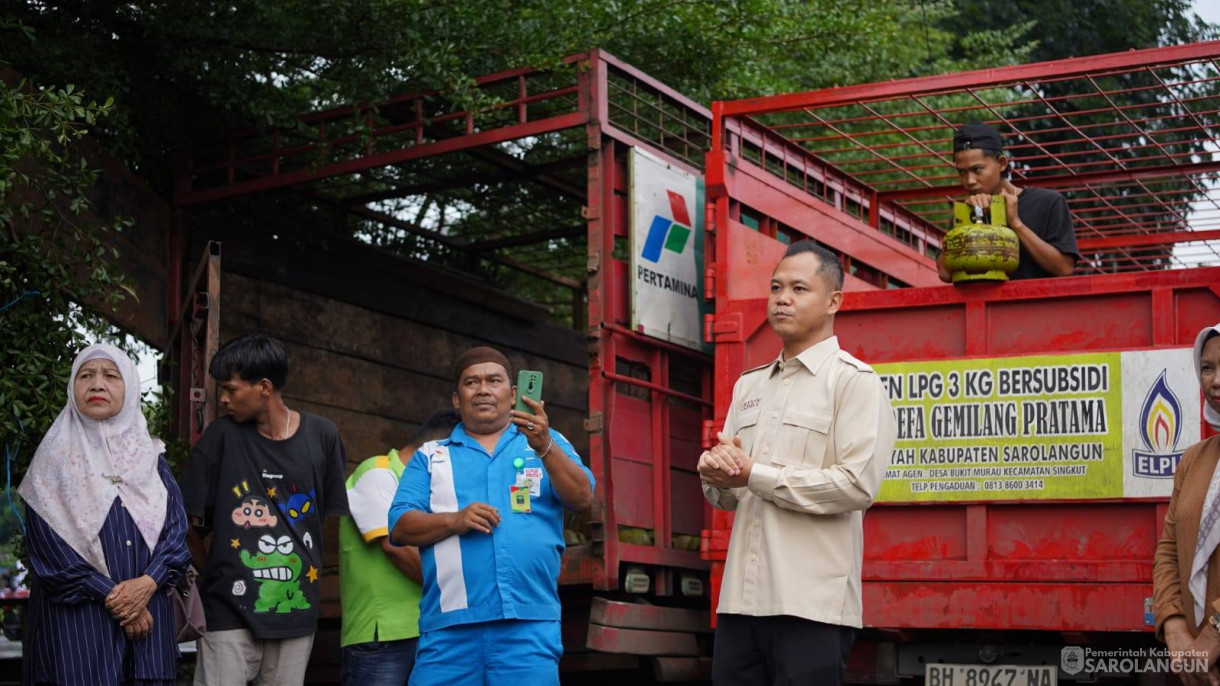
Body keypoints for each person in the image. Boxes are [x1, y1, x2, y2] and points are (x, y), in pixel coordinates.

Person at [699, 240, 897, 686]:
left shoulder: (853, 383)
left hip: (812, 605)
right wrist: (715, 475)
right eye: (775, 287)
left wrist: (755, 475)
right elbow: (727, 497)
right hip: (740, 603)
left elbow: (856, 486)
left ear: (834, 301)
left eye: (798, 289)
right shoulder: (748, 387)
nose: (782, 298)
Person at [388, 346, 594, 686]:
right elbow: (399, 526)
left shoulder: (546, 442)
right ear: (457, 399)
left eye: (494, 380)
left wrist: (543, 446)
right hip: (449, 630)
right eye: (472, 382)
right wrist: (454, 520)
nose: (483, 389)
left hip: (529, 624)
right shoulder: (432, 457)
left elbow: (582, 497)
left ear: (513, 394)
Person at [180, 334, 350, 686]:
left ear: (264, 387)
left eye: (230, 389)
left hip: (294, 609)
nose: (224, 399)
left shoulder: (323, 436)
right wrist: (214, 573)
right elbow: (182, 522)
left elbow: (325, 519)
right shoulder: (221, 437)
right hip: (227, 611)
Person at [19, 343, 192, 686]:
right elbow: (52, 556)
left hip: (148, 639)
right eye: (86, 375)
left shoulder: (153, 460)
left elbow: (175, 536)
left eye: (110, 376)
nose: (97, 384)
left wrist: (147, 584)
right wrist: (122, 602)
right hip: (79, 637)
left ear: (128, 387)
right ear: (73, 387)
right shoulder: (51, 464)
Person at [339, 409, 461, 686]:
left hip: (427, 628)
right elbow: (396, 548)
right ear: (437, 448)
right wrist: (459, 589)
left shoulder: (428, 492)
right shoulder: (378, 472)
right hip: (384, 636)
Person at [1152, 323, 1220, 686]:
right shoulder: (1194, 460)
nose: (1216, 381)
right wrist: (1175, 627)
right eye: (1207, 367)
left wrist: (1214, 635)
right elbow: (1167, 550)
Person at [937, 122, 1081, 282]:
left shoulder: (1047, 202)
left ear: (1001, 163)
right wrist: (967, 224)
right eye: (962, 172)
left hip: (1035, 306)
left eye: (977, 170)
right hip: (982, 306)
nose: (969, 181)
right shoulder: (967, 212)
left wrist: (1016, 223)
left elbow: (1064, 268)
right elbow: (944, 273)